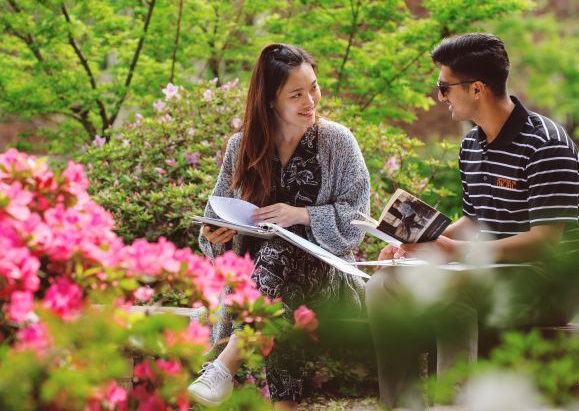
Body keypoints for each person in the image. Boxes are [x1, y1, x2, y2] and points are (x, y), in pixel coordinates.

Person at [365, 33, 579, 408]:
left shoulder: (546, 144)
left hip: (546, 282)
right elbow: (473, 220)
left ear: (477, 88)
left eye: (444, 87)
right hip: (491, 269)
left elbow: (545, 241)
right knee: (382, 286)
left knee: (453, 285)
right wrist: (413, 241)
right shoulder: (471, 144)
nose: (439, 97)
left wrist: (458, 252)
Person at [188, 43, 370, 409]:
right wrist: (215, 236)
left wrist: (300, 215)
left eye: (314, 87)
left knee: (283, 245)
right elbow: (216, 217)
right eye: (297, 94)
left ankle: (224, 368)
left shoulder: (338, 141)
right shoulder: (243, 147)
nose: (311, 101)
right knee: (278, 293)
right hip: (261, 285)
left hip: (329, 277)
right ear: (271, 99)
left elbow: (358, 217)